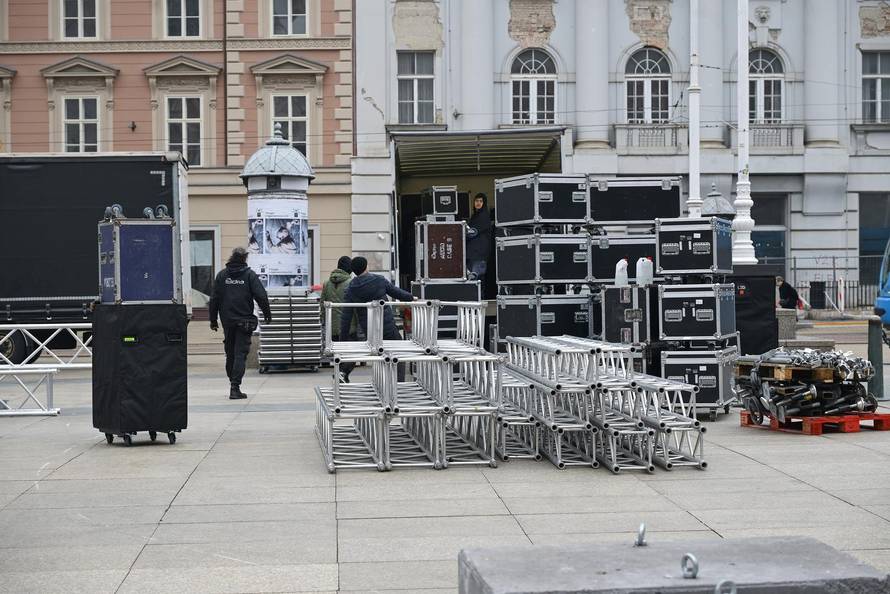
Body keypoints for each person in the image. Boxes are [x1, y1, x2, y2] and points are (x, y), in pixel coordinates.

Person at [209, 247, 272, 400]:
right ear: (244, 258)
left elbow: (214, 299)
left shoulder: (222, 275)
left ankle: (233, 384)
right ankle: (235, 387)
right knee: (239, 354)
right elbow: (261, 296)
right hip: (244, 321)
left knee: (230, 354)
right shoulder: (249, 275)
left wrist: (213, 319)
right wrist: (267, 313)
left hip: (227, 321)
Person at [339, 256, 413, 381]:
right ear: (366, 266)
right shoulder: (379, 280)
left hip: (370, 330)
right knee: (398, 352)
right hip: (388, 328)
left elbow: (346, 315)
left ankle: (383, 384)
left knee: (380, 356)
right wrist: (412, 297)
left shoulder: (351, 289)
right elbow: (397, 293)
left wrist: (342, 339)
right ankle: (399, 383)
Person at [321, 256, 356, 382]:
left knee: (339, 354)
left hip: (332, 327)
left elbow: (322, 304)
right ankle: (342, 373)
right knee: (353, 353)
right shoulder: (351, 283)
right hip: (349, 326)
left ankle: (341, 376)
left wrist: (324, 322)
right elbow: (355, 306)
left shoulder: (326, 283)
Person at [466, 192, 492, 284]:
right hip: (473, 254)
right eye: (476, 201)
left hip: (478, 255)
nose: (478, 203)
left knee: (476, 280)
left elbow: (472, 233)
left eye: (481, 201)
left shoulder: (483, 217)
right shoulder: (475, 216)